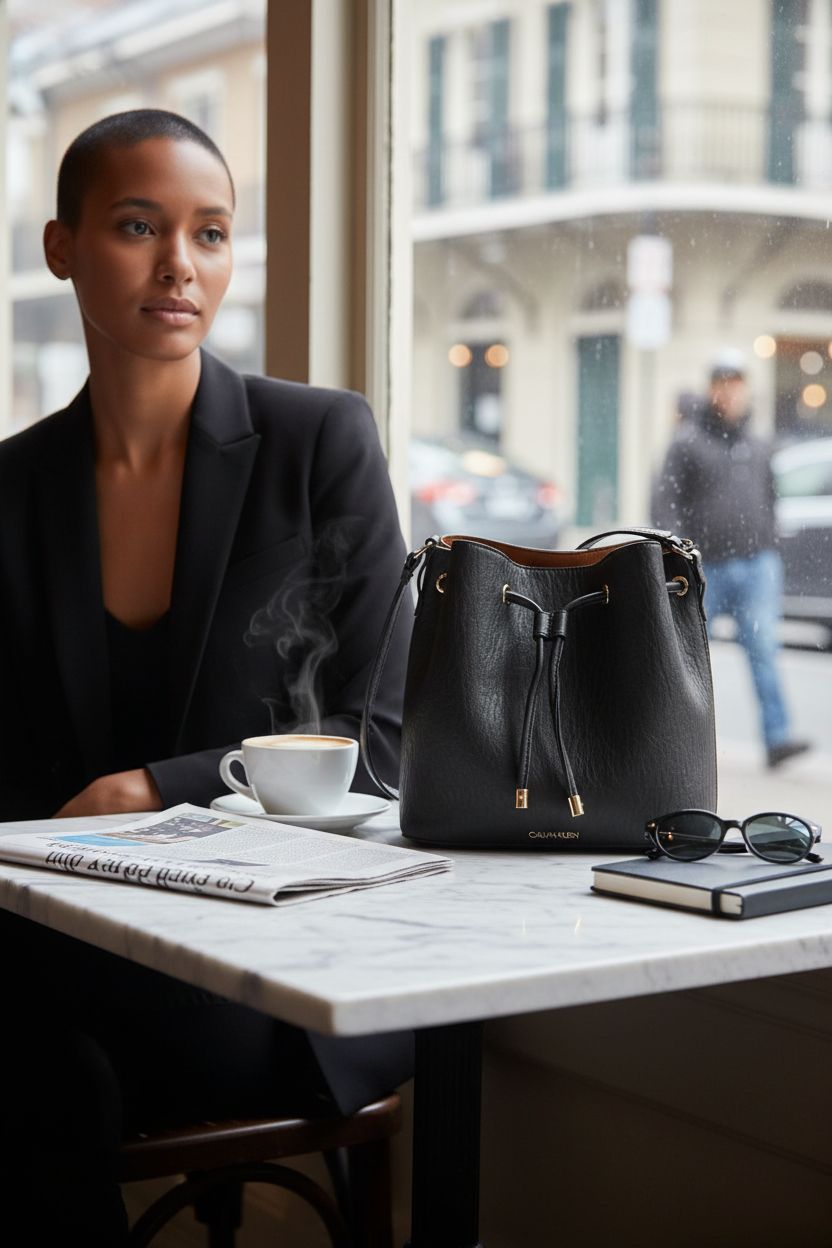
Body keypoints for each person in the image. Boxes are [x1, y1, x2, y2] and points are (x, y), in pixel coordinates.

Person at [0, 109, 413, 1244]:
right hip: (58, 948)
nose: (182, 263)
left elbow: (378, 743)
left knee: (31, 1077)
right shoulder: (12, 489)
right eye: (140, 226)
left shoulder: (319, 442)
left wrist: (155, 785)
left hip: (271, 973)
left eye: (212, 232)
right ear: (62, 247)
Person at [652, 349, 809, 770]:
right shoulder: (687, 443)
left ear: (745, 390)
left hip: (757, 564)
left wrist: (769, 544)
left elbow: (770, 498)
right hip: (706, 570)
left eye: (737, 384)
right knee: (685, 652)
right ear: (712, 389)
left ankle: (777, 739)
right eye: (723, 384)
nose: (730, 392)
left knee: (764, 649)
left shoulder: (759, 444)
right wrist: (678, 558)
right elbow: (665, 505)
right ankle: (670, 737)